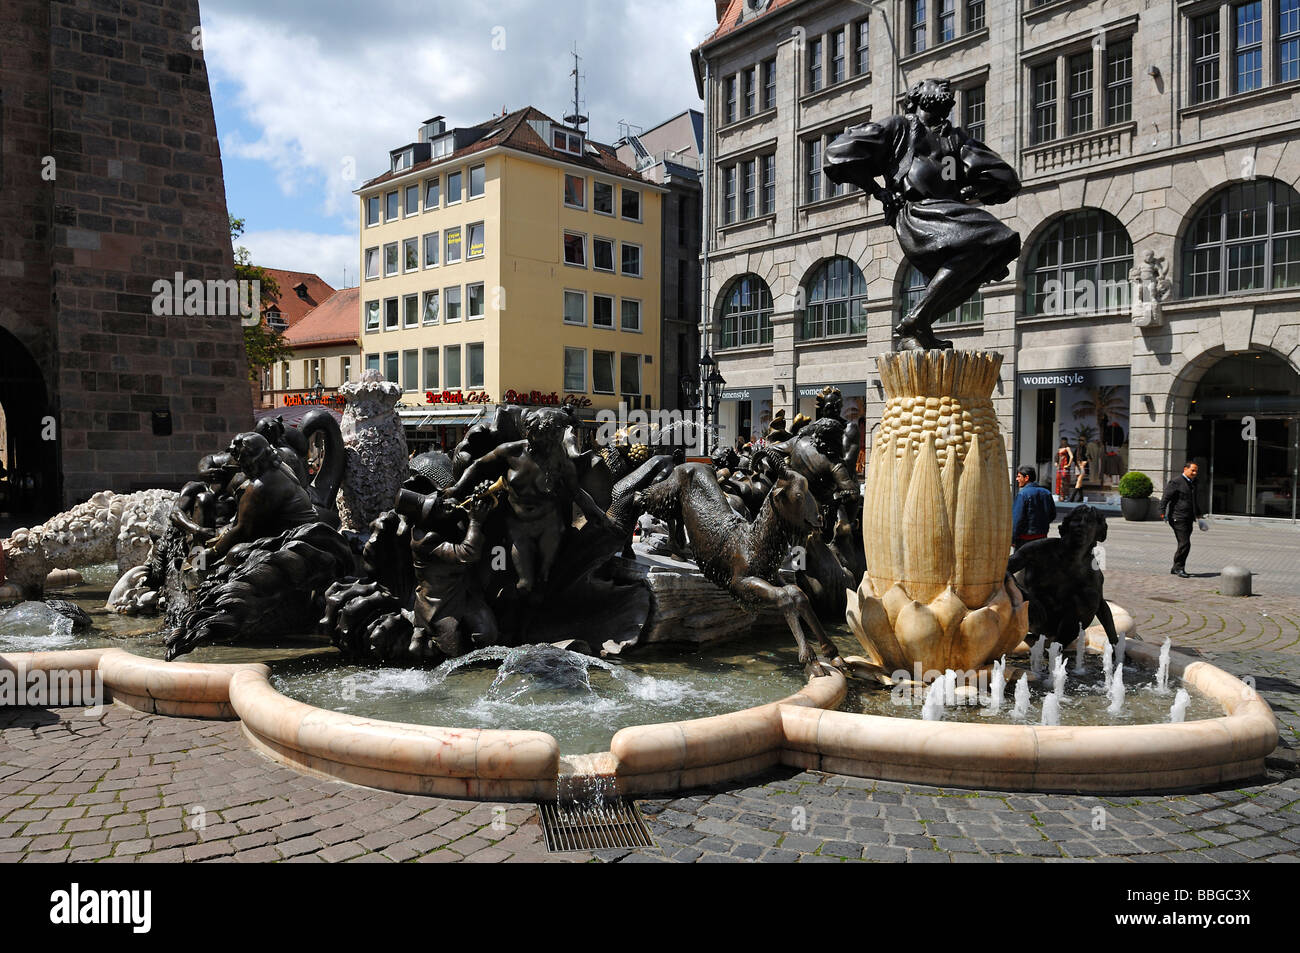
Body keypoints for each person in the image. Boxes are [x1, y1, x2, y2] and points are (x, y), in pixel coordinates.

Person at [824, 77, 1021, 351]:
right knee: (994, 235)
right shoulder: (899, 127)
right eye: (936, 84)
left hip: (949, 215)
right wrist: (878, 190)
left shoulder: (953, 138)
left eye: (946, 86)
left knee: (980, 262)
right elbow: (839, 152)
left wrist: (973, 190)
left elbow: (1002, 177)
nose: (945, 85)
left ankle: (917, 325)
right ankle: (917, 321)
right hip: (917, 213)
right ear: (917, 95)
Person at [1161, 460, 1206, 577]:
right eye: (1193, 470)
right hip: (1177, 517)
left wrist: (1199, 515)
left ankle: (1175, 567)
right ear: (1185, 469)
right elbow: (1166, 497)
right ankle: (1179, 568)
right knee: (1185, 543)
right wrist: (1162, 512)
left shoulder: (1193, 482)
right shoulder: (1176, 482)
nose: (1195, 473)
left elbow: (1193, 501)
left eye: (1196, 471)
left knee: (1184, 544)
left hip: (1188, 518)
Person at [1012, 465, 1056, 550]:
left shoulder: (1023, 494)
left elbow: (1017, 519)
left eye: (1019, 476)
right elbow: (1052, 515)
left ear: (1026, 478)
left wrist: (1012, 539)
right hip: (1042, 537)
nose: (1017, 479)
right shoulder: (1046, 493)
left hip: (1024, 540)